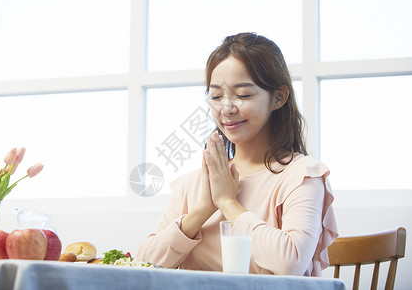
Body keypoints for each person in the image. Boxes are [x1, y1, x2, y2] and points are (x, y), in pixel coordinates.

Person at [136, 32, 338, 276]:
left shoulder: (301, 176)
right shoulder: (197, 183)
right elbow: (144, 263)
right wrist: (202, 209)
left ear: (279, 97)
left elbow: (291, 262)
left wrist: (228, 203)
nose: (227, 109)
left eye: (243, 95)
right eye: (217, 96)